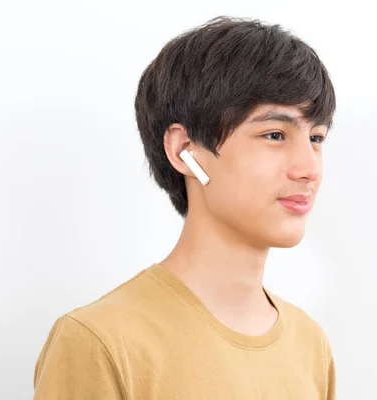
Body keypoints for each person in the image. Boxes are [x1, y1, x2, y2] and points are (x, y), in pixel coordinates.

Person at [33, 15, 337, 399]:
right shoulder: (101, 341)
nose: (309, 169)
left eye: (316, 137)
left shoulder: (310, 343)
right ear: (184, 150)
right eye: (275, 134)